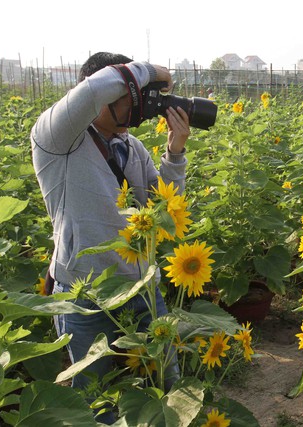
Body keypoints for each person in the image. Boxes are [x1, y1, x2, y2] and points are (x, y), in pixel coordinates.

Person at [31, 52, 191, 421]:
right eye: (128, 97)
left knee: (169, 386)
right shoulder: (57, 138)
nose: (136, 109)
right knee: (97, 399)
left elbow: (164, 209)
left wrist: (175, 152)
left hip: (141, 289)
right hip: (86, 297)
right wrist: (152, 71)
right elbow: (94, 89)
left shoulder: (131, 147)